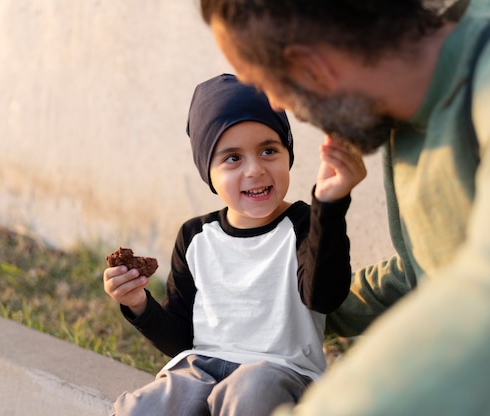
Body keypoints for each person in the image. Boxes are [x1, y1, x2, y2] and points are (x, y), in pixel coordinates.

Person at [199, 0, 490, 415]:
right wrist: (292, 308)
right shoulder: (404, 115)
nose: (277, 106)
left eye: (267, 84)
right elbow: (427, 267)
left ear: (312, 67)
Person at [103, 73, 366, 415]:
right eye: (232, 158)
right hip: (201, 370)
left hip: (280, 374)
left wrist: (329, 205)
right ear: (207, 172)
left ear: (288, 153)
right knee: (144, 406)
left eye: (269, 150)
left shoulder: (303, 224)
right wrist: (138, 303)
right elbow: (181, 339)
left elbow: (324, 296)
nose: (255, 169)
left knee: (251, 390)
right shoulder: (195, 237)